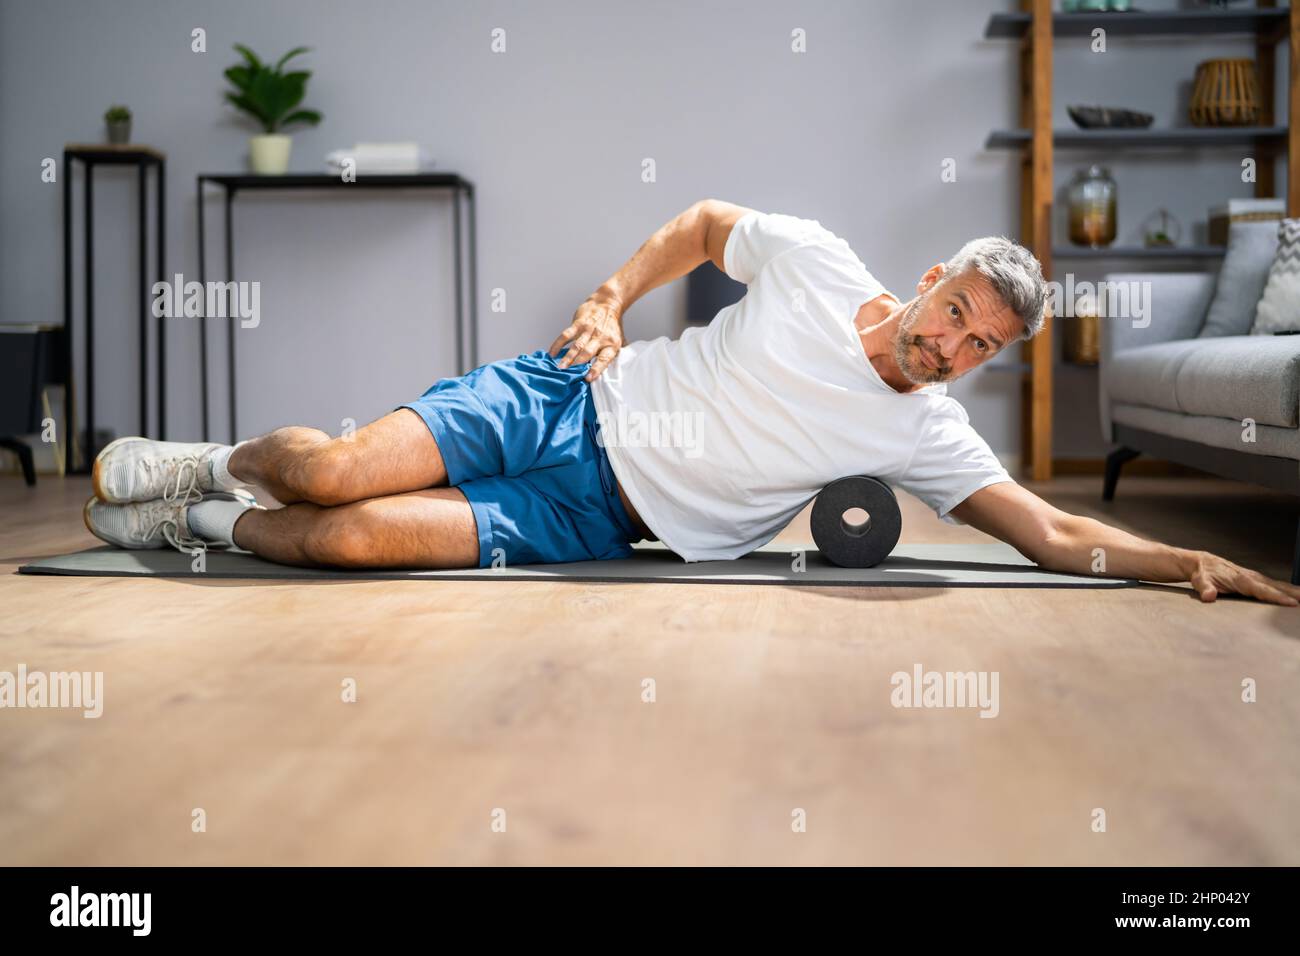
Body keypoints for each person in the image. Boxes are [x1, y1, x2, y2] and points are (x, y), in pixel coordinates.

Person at [83, 200, 1300, 605]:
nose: (948, 346)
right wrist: (612, 298)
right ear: (930, 279)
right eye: (954, 312)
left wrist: (1184, 556)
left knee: (348, 538)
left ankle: (198, 522)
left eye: (978, 346)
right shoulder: (823, 262)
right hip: (572, 395)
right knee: (335, 471)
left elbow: (1055, 531)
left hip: (598, 519)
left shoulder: (925, 431)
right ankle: (210, 459)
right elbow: (708, 222)